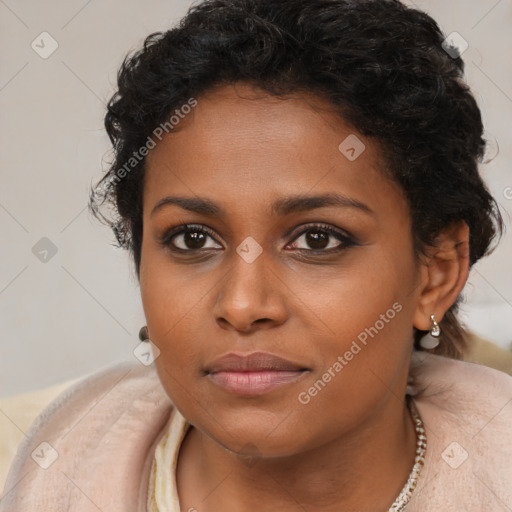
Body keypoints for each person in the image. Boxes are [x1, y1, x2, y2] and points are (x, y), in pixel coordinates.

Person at [1, 0, 511, 510]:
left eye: (317, 240)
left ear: (436, 275)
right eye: (193, 239)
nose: (243, 305)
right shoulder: (22, 469)